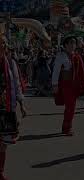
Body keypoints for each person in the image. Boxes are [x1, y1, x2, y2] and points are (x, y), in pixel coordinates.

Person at [0, 40, 27, 180]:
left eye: (3, 45)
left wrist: (22, 104)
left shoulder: (10, 63)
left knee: (4, 143)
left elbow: (16, 84)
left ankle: (0, 172)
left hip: (7, 109)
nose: (2, 48)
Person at [52, 36, 84, 136]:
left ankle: (66, 127)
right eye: (70, 43)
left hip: (74, 85)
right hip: (65, 84)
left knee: (71, 107)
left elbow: (82, 73)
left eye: (73, 43)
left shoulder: (77, 56)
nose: (72, 45)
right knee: (70, 107)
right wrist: (54, 84)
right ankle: (67, 128)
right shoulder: (61, 55)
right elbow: (56, 71)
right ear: (65, 45)